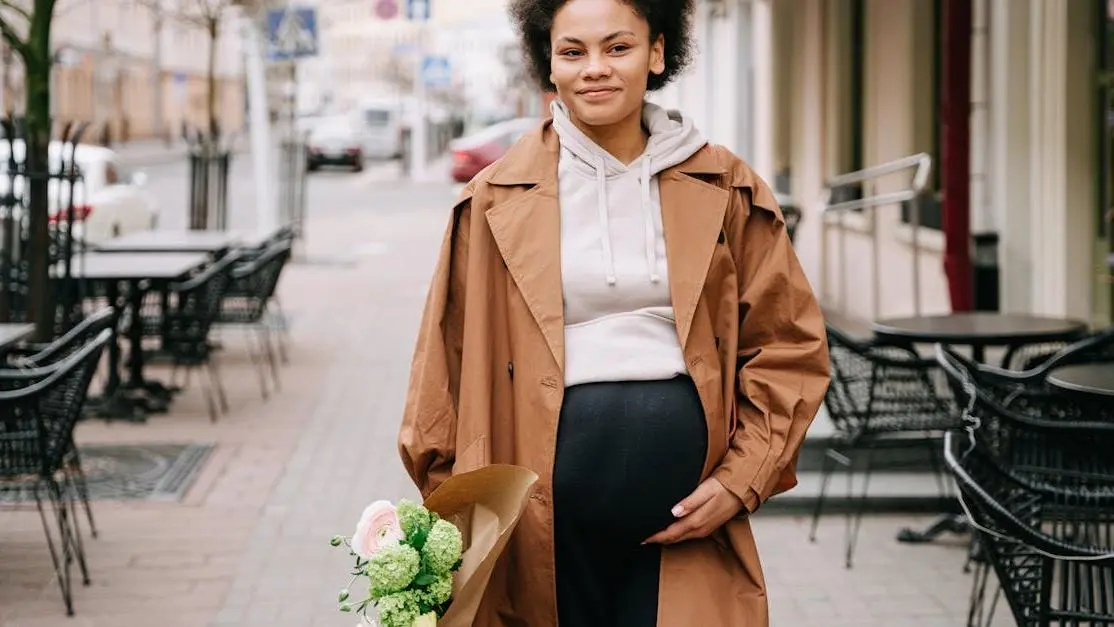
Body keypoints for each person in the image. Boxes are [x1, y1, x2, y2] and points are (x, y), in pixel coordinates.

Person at [398, 0, 831, 624]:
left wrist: (743, 479)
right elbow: (441, 367)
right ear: (549, 64)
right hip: (533, 532)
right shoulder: (493, 197)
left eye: (617, 47)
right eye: (572, 52)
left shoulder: (727, 185)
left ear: (656, 53)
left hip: (691, 529)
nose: (594, 69)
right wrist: (457, 514)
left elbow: (787, 346)